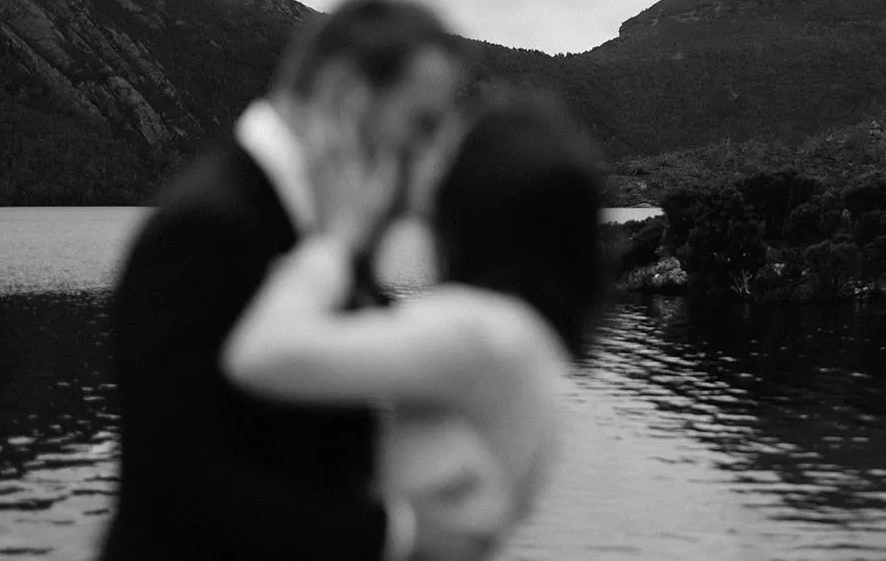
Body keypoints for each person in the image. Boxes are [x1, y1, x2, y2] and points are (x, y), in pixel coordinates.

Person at [100, 0, 465, 561]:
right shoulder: (202, 230)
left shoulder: (328, 228)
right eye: (420, 123)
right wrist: (404, 536)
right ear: (347, 94)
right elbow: (177, 492)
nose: (426, 158)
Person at [221, 91, 607, 561]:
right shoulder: (530, 335)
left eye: (444, 155)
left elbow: (260, 354)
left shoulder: (475, 330)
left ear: (476, 190)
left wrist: (336, 238)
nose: (423, 162)